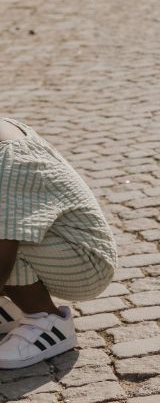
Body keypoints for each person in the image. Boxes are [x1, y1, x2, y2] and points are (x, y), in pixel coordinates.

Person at [0, 116, 117, 368]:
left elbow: (3, 252)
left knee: (5, 240)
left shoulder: (9, 157)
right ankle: (8, 311)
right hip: (49, 244)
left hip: (84, 261)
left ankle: (46, 320)